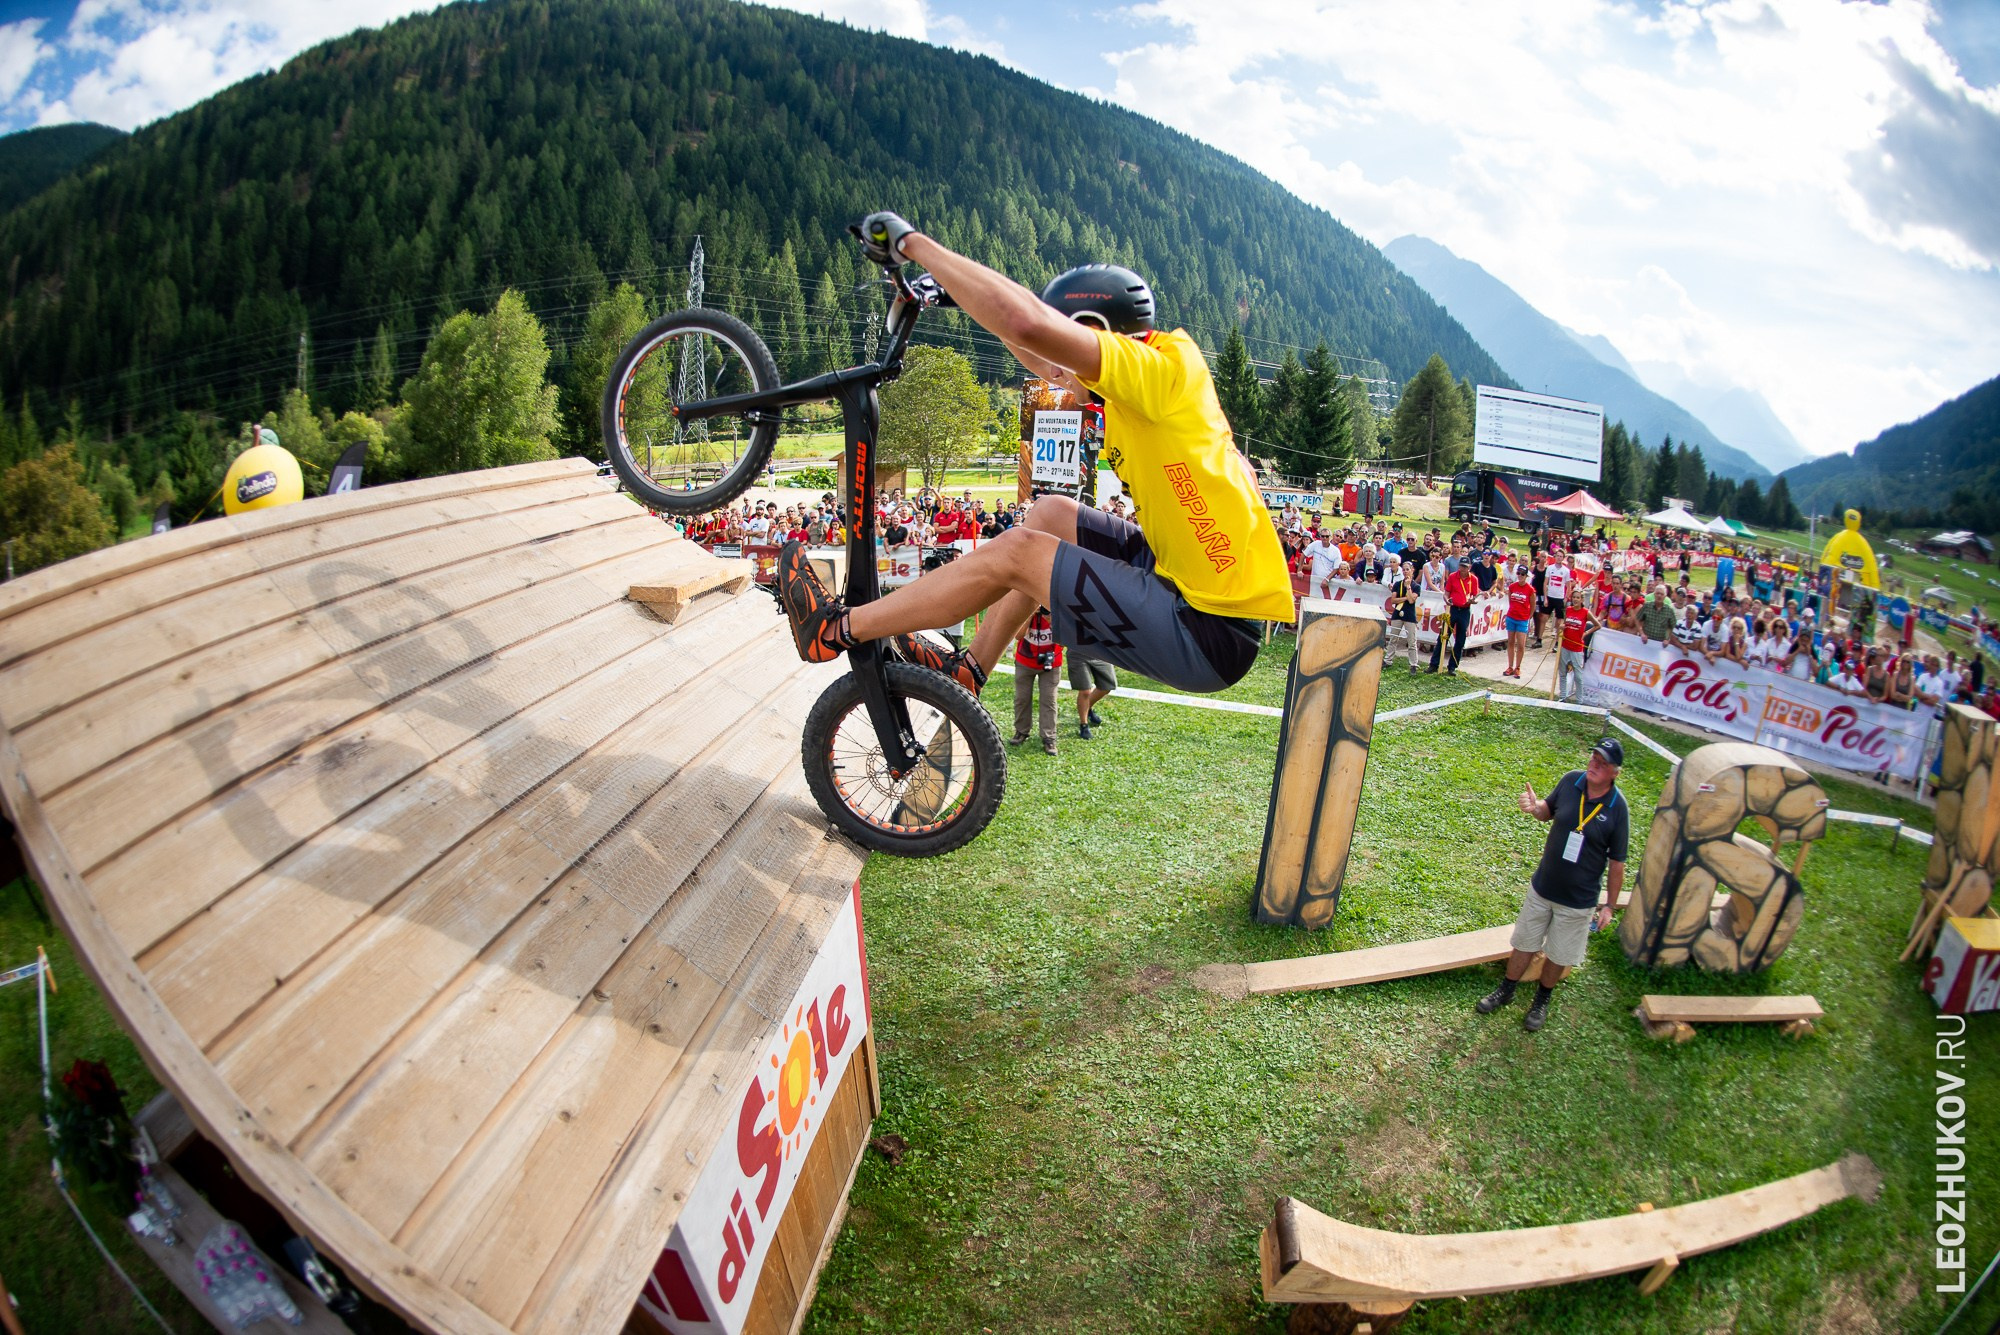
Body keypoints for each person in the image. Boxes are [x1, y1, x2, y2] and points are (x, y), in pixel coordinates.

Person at [776, 213, 1295, 700]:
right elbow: (1040, 352)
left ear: (1093, 331)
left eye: (1069, 345)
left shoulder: (1157, 374)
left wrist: (914, 246)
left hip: (1210, 630)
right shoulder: (1139, 384)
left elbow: (1027, 326)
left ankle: (837, 629)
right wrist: (959, 293)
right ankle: (971, 668)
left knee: (1019, 551)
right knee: (1046, 515)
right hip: (1185, 579)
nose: (1058, 380)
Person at [1477, 738, 1630, 1032]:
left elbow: (1617, 863)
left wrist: (1609, 905)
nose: (1594, 765)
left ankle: (1541, 1001)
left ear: (1615, 772)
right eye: (1593, 758)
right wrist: (1534, 807)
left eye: (1603, 762)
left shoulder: (1618, 808)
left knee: (1559, 954)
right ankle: (1506, 990)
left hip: (1578, 901)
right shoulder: (1571, 781)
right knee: (1524, 942)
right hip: (1543, 887)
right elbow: (1547, 810)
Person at [1011, 606, 1063, 754]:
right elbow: (1018, 636)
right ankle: (1021, 731)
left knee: (1049, 700)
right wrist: (1030, 614)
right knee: (1022, 698)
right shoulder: (1027, 611)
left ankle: (1049, 738)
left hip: (1051, 663)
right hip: (1025, 661)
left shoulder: (1057, 613)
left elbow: (1064, 641)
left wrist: (1050, 619)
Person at [1430, 555, 1478, 675]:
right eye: (1461, 566)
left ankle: (1452, 667)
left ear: (1469, 567)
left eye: (1465, 567)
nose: (1463, 569)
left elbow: (1474, 595)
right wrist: (1447, 600)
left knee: (1460, 640)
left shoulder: (1474, 579)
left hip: (1465, 610)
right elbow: (1446, 593)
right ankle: (1434, 664)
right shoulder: (1452, 576)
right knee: (1443, 636)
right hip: (1453, 609)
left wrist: (1472, 600)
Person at [1556, 586, 1599, 703]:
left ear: (1581, 600)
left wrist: (1586, 633)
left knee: (1578, 677)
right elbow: (1564, 624)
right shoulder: (1568, 610)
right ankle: (1563, 696)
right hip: (1565, 645)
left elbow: (1597, 625)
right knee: (1563, 672)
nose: (1575, 599)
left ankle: (1579, 701)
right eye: (1574, 597)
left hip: (1577, 648)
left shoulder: (1585, 612)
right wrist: (1561, 627)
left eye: (1578, 598)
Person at [1383, 555, 1421, 672]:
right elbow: (1393, 600)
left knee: (1411, 641)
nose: (1405, 571)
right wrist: (1405, 597)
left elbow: (1411, 600)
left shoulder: (1416, 586)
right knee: (1393, 638)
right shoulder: (1397, 584)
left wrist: (1408, 587)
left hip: (1409, 615)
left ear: (1412, 570)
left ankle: (1413, 664)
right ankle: (1388, 660)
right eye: (1404, 569)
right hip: (1398, 613)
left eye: (1407, 569)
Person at [1070, 654, 1116, 740]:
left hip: (1100, 653)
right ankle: (1084, 725)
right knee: (1085, 691)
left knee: (1107, 686)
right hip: (1077, 654)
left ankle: (1086, 708)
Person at [1503, 563, 1535, 679]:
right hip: (1511, 617)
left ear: (1526, 576)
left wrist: (1528, 618)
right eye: (1519, 574)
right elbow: (1511, 601)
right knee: (1510, 642)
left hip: (1522, 619)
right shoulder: (1512, 587)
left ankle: (1518, 667)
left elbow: (1532, 606)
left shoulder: (1530, 590)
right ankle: (1510, 666)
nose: (1520, 576)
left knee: (1521, 644)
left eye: (1522, 574)